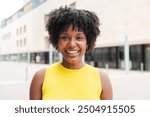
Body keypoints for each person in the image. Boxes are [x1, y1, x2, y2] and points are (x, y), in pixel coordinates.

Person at [30, 6, 113, 100]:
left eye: (79, 38)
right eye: (65, 37)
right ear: (57, 41)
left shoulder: (102, 79)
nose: (72, 44)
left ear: (88, 42)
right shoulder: (41, 77)